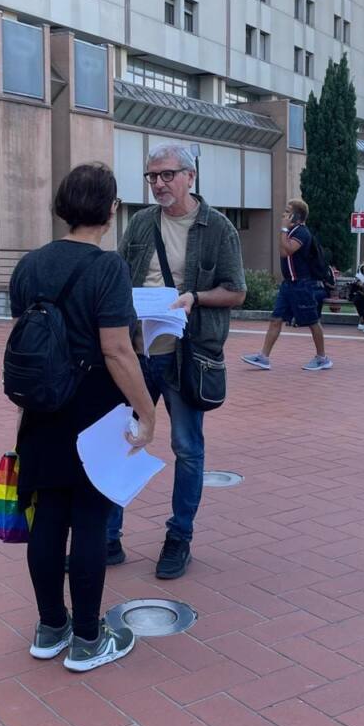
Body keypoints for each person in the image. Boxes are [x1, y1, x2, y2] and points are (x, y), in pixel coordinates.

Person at [10, 163, 157, 672]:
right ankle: (90, 640)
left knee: (48, 515)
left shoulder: (29, 264)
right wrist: (147, 409)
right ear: (112, 210)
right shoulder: (108, 267)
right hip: (93, 408)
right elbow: (117, 349)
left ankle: (51, 627)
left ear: (62, 206)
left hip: (40, 407)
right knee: (90, 521)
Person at [112, 143, 246, 580]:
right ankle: (109, 536)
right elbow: (119, 276)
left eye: (167, 175)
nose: (158, 184)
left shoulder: (218, 227)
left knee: (187, 450)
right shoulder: (139, 223)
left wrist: (195, 299)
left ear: (190, 176)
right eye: (152, 177)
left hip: (186, 357)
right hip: (136, 355)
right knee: (122, 443)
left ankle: (178, 537)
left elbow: (237, 291)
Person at [241, 198, 332, 371]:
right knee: (276, 319)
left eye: (286, 211)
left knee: (312, 321)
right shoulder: (291, 232)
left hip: (302, 285)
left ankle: (322, 358)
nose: (283, 214)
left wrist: (283, 228)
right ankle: (263, 357)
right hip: (288, 285)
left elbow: (286, 251)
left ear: (295, 216)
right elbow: (284, 250)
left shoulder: (302, 233)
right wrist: (284, 230)